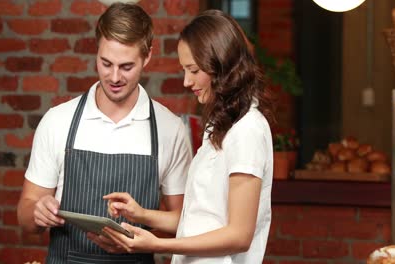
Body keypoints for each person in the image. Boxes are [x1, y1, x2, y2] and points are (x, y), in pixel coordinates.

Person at [16, 3, 192, 263]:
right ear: (96, 51)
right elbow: (25, 214)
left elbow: (185, 223)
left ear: (147, 57)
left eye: (126, 66)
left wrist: (140, 232)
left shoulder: (170, 129)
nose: (114, 77)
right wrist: (37, 212)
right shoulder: (58, 120)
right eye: (105, 63)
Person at [101, 9, 275, 264]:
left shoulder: (247, 130)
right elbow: (198, 219)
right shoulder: (221, 126)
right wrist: (141, 214)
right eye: (184, 70)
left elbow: (240, 235)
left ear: (221, 66)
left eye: (193, 70)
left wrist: (157, 244)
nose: (186, 81)